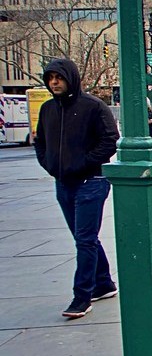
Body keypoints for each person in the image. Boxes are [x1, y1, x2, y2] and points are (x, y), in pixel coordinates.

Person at [34, 58, 120, 319]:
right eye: (50, 78)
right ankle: (103, 283)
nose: (54, 82)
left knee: (84, 239)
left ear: (70, 78)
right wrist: (50, 165)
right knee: (84, 238)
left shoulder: (93, 106)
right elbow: (41, 142)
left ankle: (82, 296)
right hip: (64, 183)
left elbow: (110, 141)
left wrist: (84, 163)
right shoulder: (48, 109)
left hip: (91, 182)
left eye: (58, 77)